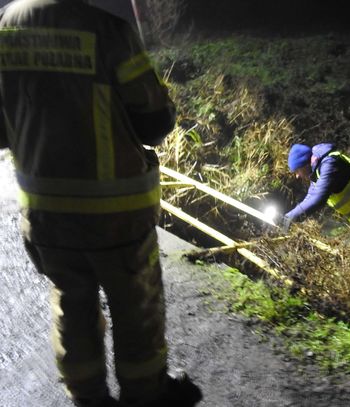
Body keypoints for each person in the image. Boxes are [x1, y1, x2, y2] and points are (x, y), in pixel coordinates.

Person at [0, 1, 202, 406]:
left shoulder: (5, 26)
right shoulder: (108, 30)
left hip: (45, 210)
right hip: (116, 213)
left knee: (72, 307)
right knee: (135, 308)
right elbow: (154, 123)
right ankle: (145, 395)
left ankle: (88, 398)